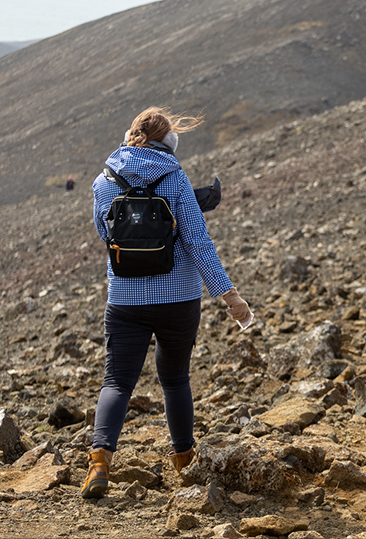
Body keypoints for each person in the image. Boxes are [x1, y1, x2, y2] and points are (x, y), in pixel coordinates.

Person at [82, 107, 252, 499]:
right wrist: (230, 295)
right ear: (169, 142)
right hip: (178, 298)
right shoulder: (175, 178)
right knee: (174, 380)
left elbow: (104, 234)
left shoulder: (103, 181)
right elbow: (197, 241)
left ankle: (99, 464)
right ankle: (184, 462)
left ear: (130, 135)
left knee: (117, 381)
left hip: (124, 298)